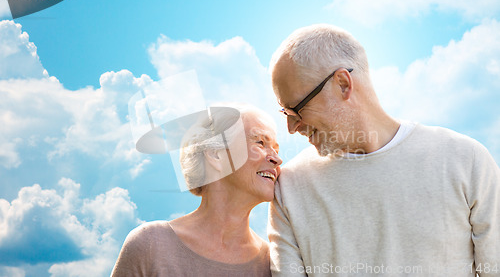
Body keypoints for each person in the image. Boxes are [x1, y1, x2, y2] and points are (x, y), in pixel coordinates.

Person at [268, 24, 500, 276]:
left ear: (343, 84)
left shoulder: (466, 161)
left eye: (296, 109)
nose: (291, 127)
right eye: (285, 113)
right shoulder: (289, 188)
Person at [111, 104, 282, 276]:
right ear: (215, 154)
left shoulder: (272, 264)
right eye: (260, 143)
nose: (277, 159)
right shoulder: (150, 244)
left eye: (276, 149)